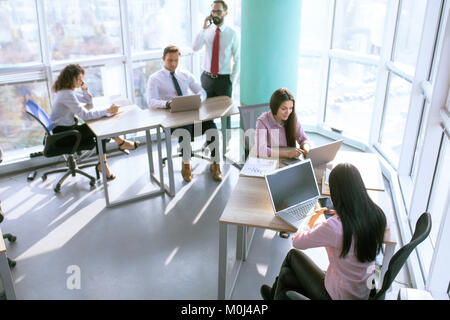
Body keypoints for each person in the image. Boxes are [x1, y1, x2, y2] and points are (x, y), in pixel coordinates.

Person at [260, 163, 389, 300]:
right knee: (286, 274)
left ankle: (274, 295)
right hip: (361, 293)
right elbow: (385, 227)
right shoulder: (377, 215)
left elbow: (297, 242)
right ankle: (275, 295)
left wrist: (311, 218)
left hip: (336, 296)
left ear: (335, 194)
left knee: (292, 256)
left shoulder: (334, 227)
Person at [49, 64, 139, 180]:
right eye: (78, 79)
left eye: (82, 79)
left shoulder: (66, 91)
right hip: (65, 136)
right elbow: (85, 115)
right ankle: (117, 148)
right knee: (100, 127)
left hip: (64, 131)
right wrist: (107, 111)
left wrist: (84, 89)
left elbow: (88, 100)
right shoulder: (67, 94)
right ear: (70, 79)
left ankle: (114, 151)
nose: (81, 81)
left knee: (100, 125)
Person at [146, 45, 222, 182]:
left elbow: (202, 92)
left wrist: (198, 99)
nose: (173, 63)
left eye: (176, 60)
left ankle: (215, 163)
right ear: (163, 59)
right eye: (170, 60)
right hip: (172, 119)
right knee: (185, 131)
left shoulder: (185, 75)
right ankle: (186, 164)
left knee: (212, 128)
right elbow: (151, 102)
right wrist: (167, 103)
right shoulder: (155, 79)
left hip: (191, 114)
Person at [255, 88, 311, 160]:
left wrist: (306, 149)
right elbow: (260, 150)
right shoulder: (262, 121)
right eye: (284, 109)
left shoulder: (292, 117)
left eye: (291, 108)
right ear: (275, 107)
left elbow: (303, 139)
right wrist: (287, 154)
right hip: (269, 160)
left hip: (288, 161)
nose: (288, 112)